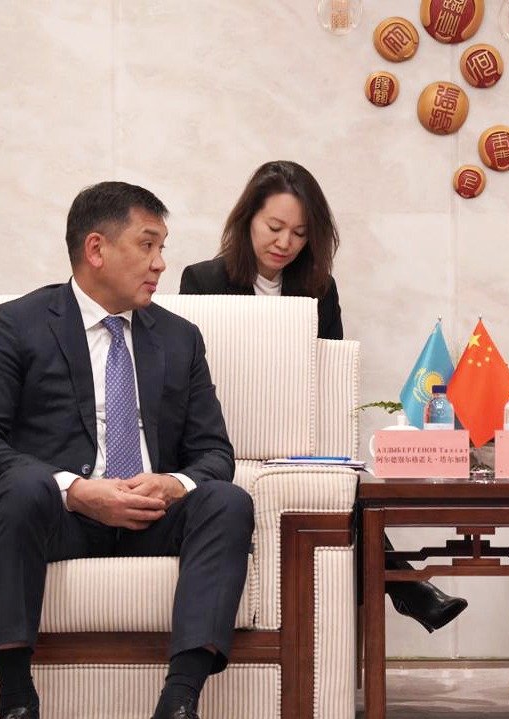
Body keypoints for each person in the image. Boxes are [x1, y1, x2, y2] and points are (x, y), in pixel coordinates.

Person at [0, 181, 253, 719]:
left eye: (162, 247)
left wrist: (173, 484)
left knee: (227, 501)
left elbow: (215, 451)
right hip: (60, 518)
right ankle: (17, 706)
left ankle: (178, 710)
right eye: (147, 244)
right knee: (21, 485)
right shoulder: (15, 324)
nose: (160, 263)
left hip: (150, 514)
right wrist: (73, 489)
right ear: (97, 248)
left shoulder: (178, 338)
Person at [181, 160, 466, 633]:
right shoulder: (202, 281)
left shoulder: (318, 288)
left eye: (299, 233)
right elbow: (194, 378)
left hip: (301, 435)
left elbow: (331, 372)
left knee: (346, 483)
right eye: (274, 227)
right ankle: (407, 586)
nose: (285, 243)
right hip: (230, 432)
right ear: (247, 220)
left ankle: (403, 587)